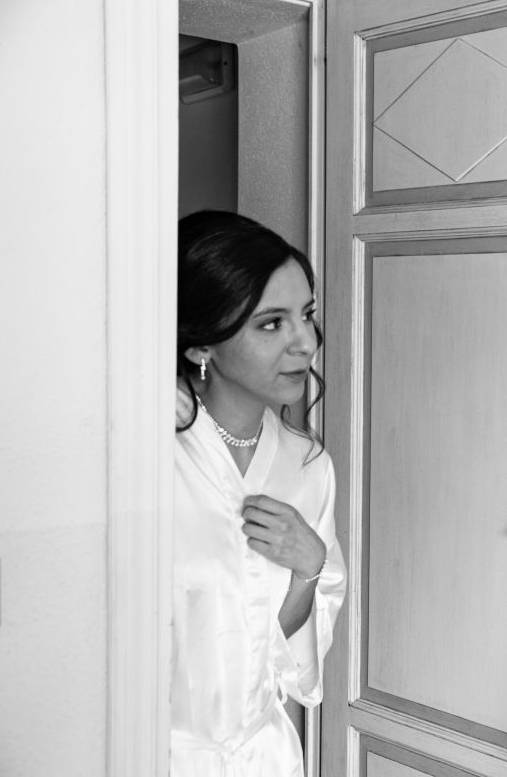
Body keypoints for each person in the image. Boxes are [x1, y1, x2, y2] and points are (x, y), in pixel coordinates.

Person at [171, 210, 347, 776]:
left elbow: (274, 649)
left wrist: (310, 567)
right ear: (201, 345)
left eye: (306, 315)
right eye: (271, 324)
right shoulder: (149, 459)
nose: (306, 343)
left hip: (265, 757)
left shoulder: (307, 466)